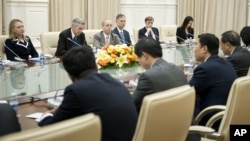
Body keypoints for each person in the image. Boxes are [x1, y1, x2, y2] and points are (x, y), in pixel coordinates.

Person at [38, 46, 137, 141]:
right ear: (96, 66)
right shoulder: (114, 82)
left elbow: (50, 129)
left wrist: (46, 116)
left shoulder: (75, 90)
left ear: (69, 74)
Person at [190, 33, 237, 125]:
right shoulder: (227, 64)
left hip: (210, 118)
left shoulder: (204, 69)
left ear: (204, 49)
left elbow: (188, 92)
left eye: (196, 45)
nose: (194, 49)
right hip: (226, 115)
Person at [133, 38, 187, 112]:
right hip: (182, 120)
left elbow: (131, 105)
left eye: (138, 59)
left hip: (160, 121)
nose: (139, 62)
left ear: (144, 56)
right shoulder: (178, 69)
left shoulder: (147, 77)